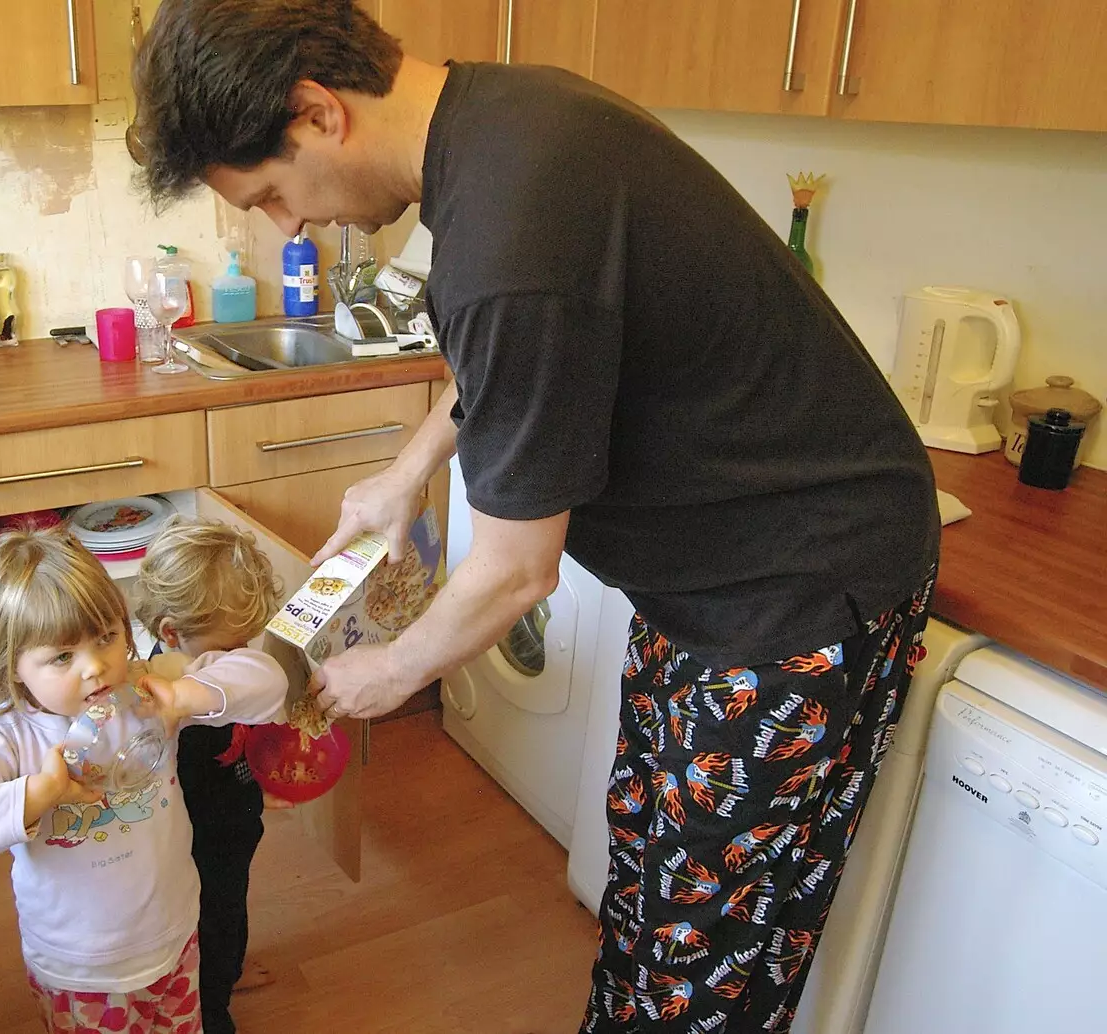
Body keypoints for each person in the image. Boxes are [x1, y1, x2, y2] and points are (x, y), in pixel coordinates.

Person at [130, 3, 940, 1031]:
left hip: (795, 592)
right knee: (643, 883)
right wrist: (404, 473)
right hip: (706, 579)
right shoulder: (500, 121)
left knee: (707, 959)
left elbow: (515, 571)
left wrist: (392, 666)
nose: (290, 224)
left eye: (273, 193)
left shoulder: (508, 226)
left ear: (317, 112)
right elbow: (524, 360)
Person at [0, 526, 288, 1034]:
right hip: (81, 972)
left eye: (106, 638)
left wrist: (187, 697)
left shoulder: (147, 691)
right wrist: (37, 794)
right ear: (15, 667)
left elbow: (268, 682)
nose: (95, 667)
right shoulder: (7, 740)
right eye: (62, 657)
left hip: (175, 938)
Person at [133, 516, 287, 1034]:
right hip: (196, 840)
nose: (239, 657)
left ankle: (226, 972)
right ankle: (212, 1010)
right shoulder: (164, 694)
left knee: (229, 912)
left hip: (234, 815)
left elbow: (254, 695)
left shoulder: (216, 665)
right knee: (210, 921)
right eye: (227, 648)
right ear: (172, 633)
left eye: (248, 641)